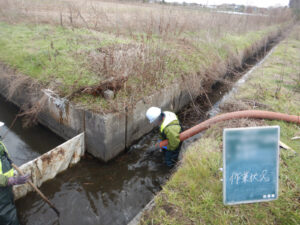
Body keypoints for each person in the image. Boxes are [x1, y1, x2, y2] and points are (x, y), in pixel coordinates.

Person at [0, 122, 30, 225]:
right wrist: (13, 180)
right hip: (1, 189)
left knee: (10, 205)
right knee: (8, 216)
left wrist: (9, 161)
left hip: (5, 188)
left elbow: (3, 155)